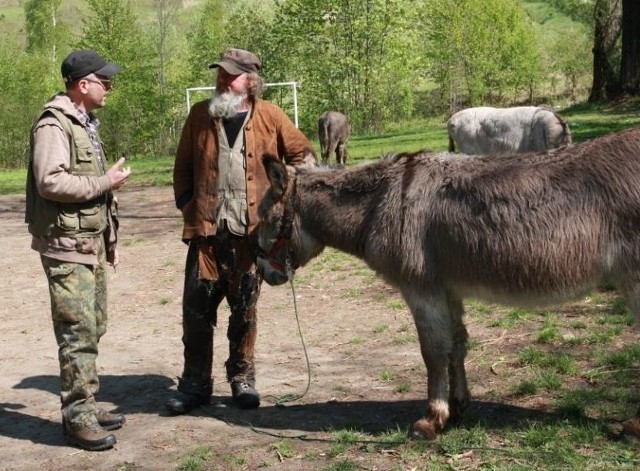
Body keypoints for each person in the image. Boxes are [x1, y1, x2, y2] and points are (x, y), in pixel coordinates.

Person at [168, 48, 316, 414]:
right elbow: (183, 169)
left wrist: (285, 200)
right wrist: (188, 204)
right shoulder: (199, 116)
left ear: (251, 81)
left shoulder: (271, 116)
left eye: (231, 75)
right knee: (197, 312)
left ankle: (242, 378)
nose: (222, 79)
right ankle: (194, 385)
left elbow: (303, 156)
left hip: (252, 236)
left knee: (244, 311)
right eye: (220, 73)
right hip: (206, 235)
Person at [25, 49, 131, 451]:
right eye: (104, 81)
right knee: (77, 332)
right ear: (82, 84)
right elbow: (50, 181)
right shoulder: (54, 124)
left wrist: (110, 241)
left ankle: (86, 403)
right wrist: (105, 182)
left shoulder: (83, 122)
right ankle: (77, 419)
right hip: (66, 247)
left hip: (88, 244)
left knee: (93, 326)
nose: (109, 87)